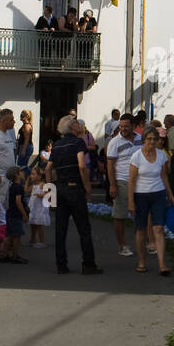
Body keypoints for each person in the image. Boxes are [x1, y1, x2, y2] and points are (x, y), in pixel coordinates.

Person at [46, 114, 102, 275]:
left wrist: (50, 191)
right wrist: (88, 188)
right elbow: (81, 166)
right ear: (71, 127)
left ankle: (61, 265)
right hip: (75, 188)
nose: (81, 126)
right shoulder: (78, 142)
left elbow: (49, 168)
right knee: (83, 227)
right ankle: (88, 264)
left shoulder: (56, 145)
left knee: (60, 228)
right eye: (77, 123)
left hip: (60, 188)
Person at [128, 126, 174, 274]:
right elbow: (131, 180)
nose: (152, 141)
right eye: (149, 139)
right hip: (141, 195)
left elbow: (164, 176)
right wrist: (131, 201)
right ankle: (142, 262)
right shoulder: (136, 156)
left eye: (155, 139)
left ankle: (162, 264)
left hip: (158, 194)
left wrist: (170, 194)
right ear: (144, 140)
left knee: (158, 228)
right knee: (141, 230)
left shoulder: (161, 155)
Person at [106, 114, 142, 255]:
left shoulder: (141, 139)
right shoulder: (115, 142)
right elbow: (110, 165)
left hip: (140, 181)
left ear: (134, 126)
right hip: (122, 180)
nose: (123, 129)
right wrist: (112, 185)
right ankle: (122, 245)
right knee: (120, 215)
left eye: (126, 126)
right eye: (121, 126)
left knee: (140, 214)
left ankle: (140, 241)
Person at [1, 166, 28, 263]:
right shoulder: (18, 187)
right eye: (21, 171)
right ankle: (15, 256)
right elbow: (18, 201)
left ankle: (4, 255)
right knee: (16, 236)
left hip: (10, 213)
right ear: (17, 174)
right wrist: (24, 214)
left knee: (9, 235)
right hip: (16, 214)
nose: (23, 173)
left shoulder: (12, 186)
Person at [27, 165, 50, 247]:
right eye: (31, 174)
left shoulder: (42, 184)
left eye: (33, 174)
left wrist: (41, 195)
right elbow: (26, 190)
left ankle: (42, 241)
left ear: (39, 176)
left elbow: (48, 194)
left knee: (39, 224)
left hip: (40, 207)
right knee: (32, 224)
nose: (31, 176)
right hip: (33, 206)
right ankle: (32, 239)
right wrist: (27, 180)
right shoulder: (33, 184)